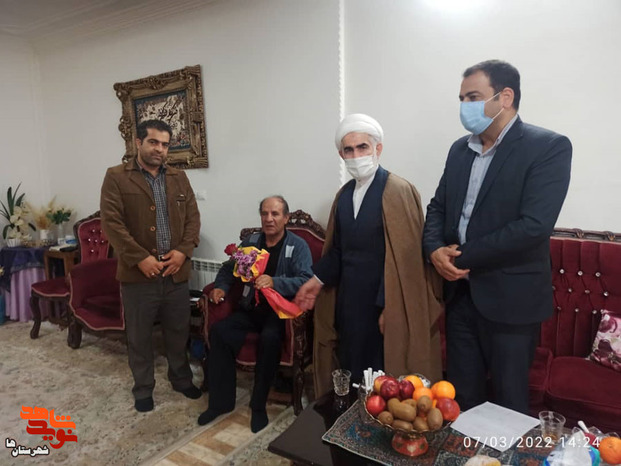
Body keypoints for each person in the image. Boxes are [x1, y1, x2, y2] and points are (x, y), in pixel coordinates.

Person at [422, 60, 572, 414]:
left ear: (505, 97)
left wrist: (461, 256)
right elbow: (438, 207)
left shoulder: (547, 147)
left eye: (473, 97)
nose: (465, 106)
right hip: (459, 296)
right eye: (461, 98)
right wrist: (433, 250)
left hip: (511, 300)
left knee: (508, 404)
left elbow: (533, 226)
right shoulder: (459, 150)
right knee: (461, 400)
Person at [295, 114, 443, 397]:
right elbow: (339, 250)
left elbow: (408, 261)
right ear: (341, 154)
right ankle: (353, 421)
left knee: (385, 382)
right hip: (349, 303)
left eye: (362, 147)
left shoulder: (398, 190)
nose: (356, 156)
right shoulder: (344, 195)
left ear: (378, 148)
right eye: (348, 150)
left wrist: (390, 307)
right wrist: (316, 280)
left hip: (384, 305)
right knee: (352, 373)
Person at [100, 119, 201, 412]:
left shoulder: (179, 177)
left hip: (175, 273)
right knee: (139, 336)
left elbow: (193, 219)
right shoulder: (116, 176)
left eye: (165, 144)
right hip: (138, 276)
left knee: (178, 332)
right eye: (153, 142)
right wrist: (140, 258)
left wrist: (182, 252)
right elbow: (112, 224)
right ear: (138, 143)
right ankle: (143, 388)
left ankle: (181, 379)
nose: (160, 149)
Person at [197, 196, 313, 432]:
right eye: (264, 213)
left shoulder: (297, 246)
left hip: (278, 313)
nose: (269, 219)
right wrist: (221, 287)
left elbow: (306, 280)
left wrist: (276, 282)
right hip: (250, 308)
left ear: (286, 218)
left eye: (275, 214)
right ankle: (220, 403)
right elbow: (228, 269)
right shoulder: (251, 242)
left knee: (270, 339)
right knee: (220, 332)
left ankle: (258, 406)